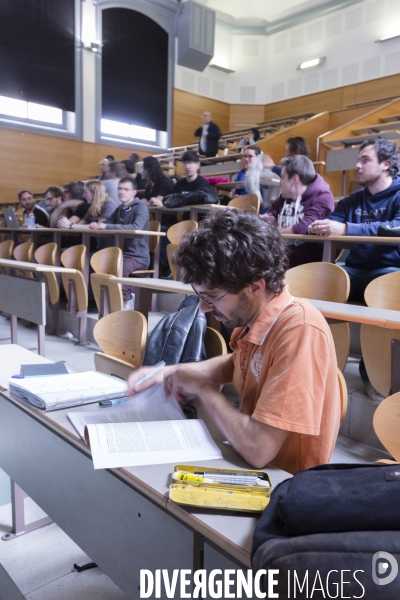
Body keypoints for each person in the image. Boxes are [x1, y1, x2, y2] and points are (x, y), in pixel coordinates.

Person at [127, 209, 340, 474]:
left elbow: (259, 449)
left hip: (283, 480)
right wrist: (171, 371)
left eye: (211, 297)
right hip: (248, 459)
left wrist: (204, 389)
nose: (203, 309)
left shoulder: (300, 330)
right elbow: (237, 364)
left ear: (255, 287)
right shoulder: (258, 318)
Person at [308, 137, 400, 403]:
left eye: (365, 160)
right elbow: (331, 222)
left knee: (385, 295)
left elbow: (396, 226)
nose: (357, 166)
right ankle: (321, 368)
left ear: (386, 164)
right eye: (358, 160)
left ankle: (373, 376)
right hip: (355, 271)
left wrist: (348, 229)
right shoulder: (353, 200)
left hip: (389, 272)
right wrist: (320, 225)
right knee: (316, 286)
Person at [262, 155, 334, 267]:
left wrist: (273, 234)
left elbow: (305, 226)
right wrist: (268, 219)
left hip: (309, 265)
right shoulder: (286, 195)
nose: (280, 183)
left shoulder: (323, 196)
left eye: (282, 178)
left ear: (294, 180)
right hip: (280, 260)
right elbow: (272, 213)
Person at [90, 177, 150, 309]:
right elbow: (106, 224)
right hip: (121, 255)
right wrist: (97, 224)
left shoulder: (141, 207)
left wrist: (105, 226)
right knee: (100, 264)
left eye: (126, 189)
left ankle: (126, 304)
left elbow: (136, 227)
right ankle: (106, 304)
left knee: (118, 267)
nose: (122, 192)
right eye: (119, 189)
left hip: (137, 256)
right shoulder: (119, 209)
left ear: (134, 192)